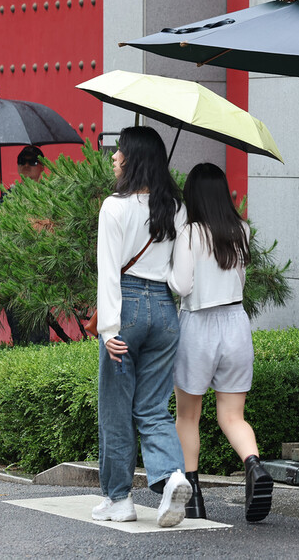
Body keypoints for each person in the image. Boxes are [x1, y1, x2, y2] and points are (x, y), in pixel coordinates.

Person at [92, 126, 192, 527]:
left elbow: (108, 272)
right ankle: (171, 477)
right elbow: (182, 279)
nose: (115, 157)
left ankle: (119, 500)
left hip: (126, 308)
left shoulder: (113, 207)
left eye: (120, 150)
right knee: (152, 406)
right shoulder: (177, 208)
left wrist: (109, 329)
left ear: (133, 159)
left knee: (116, 409)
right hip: (166, 312)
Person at [169, 163, 273, 523]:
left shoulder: (189, 234)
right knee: (232, 415)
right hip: (235, 323)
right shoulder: (241, 229)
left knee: (188, 415)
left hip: (199, 324)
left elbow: (181, 286)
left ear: (193, 196)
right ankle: (255, 467)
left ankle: (194, 495)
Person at [0, 145, 50, 345]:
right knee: (20, 335)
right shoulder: (9, 196)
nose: (27, 166)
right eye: (23, 162)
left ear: (43, 166)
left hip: (39, 273)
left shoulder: (50, 195)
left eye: (33, 162)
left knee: (40, 336)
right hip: (14, 273)